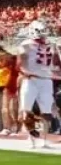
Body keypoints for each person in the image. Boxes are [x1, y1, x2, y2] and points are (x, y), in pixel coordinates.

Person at [17, 20, 60, 150]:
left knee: (45, 112)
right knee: (27, 110)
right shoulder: (26, 45)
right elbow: (20, 63)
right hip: (33, 79)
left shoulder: (50, 44)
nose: (42, 35)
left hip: (44, 79)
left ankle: (44, 140)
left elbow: (56, 61)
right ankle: (32, 138)